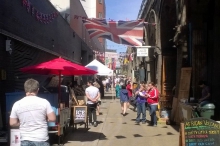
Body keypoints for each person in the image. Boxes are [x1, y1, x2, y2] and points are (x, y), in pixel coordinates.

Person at [10, 79, 56, 145]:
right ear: (37, 90)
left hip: (24, 139)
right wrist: (45, 119)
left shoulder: (17, 104)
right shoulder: (44, 102)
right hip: (41, 139)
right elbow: (52, 118)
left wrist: (22, 122)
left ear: (25, 90)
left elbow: (12, 123)